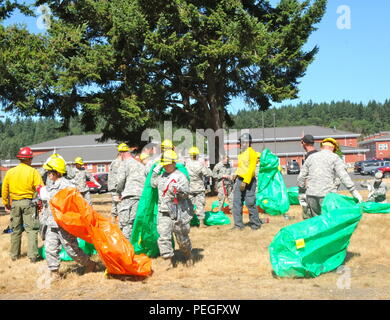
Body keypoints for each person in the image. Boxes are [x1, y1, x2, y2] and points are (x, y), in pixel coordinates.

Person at [38, 156, 97, 282]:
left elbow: (71, 205)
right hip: (52, 223)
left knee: (72, 250)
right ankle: (55, 273)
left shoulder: (67, 186)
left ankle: (89, 264)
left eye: (50, 172)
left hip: (64, 225)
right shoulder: (53, 184)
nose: (48, 174)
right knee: (50, 248)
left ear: (57, 172)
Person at [297, 137, 363, 218]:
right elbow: (343, 176)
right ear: (333, 148)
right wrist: (354, 192)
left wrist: (302, 192)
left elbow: (300, 177)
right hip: (327, 196)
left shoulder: (311, 157)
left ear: (322, 147)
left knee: (316, 220)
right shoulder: (334, 157)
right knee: (328, 221)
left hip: (311, 195)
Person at [151, 150, 194, 269]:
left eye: (167, 164)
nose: (165, 166)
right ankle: (167, 261)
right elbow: (153, 184)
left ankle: (188, 255)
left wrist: (179, 190)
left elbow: (185, 194)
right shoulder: (162, 176)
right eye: (163, 164)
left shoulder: (181, 176)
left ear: (174, 163)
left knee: (182, 238)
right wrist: (155, 171)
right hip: (164, 211)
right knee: (163, 236)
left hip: (178, 212)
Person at [1, 147, 44, 262]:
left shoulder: (10, 172)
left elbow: (4, 189)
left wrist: (6, 203)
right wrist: (41, 203)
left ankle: (14, 256)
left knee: (15, 230)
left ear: (19, 158)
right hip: (29, 203)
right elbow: (41, 189)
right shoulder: (33, 172)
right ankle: (33, 256)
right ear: (30, 159)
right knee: (32, 230)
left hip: (15, 203)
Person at [232, 133, 263, 230]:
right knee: (236, 202)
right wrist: (235, 174)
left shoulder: (252, 153)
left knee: (250, 202)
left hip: (249, 181)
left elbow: (251, 168)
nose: (242, 144)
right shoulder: (241, 153)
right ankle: (238, 225)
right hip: (239, 179)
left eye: (244, 142)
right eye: (241, 142)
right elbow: (241, 167)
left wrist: (245, 181)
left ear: (249, 142)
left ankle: (255, 224)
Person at [115, 147, 146, 240]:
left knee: (125, 223)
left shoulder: (124, 164)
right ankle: (136, 245)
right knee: (135, 221)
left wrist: (118, 193)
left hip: (129, 195)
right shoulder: (140, 164)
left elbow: (120, 181)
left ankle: (126, 247)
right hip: (141, 196)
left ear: (121, 154)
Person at [185, 146, 213, 226]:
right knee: (200, 205)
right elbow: (208, 174)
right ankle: (201, 223)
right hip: (199, 188)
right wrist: (207, 167)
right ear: (197, 155)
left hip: (189, 188)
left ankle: (188, 223)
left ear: (190, 155)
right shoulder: (200, 165)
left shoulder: (186, 165)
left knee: (189, 205)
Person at [298, 134, 318, 219]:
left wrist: (302, 189)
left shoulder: (309, 155)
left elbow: (304, 175)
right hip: (321, 186)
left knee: (310, 213)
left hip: (312, 187)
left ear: (304, 143)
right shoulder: (318, 153)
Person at [107, 144, 128, 223]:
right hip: (116, 187)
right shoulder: (118, 162)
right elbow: (119, 177)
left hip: (116, 186)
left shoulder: (116, 161)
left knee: (115, 203)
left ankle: (113, 220)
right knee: (118, 203)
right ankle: (119, 221)